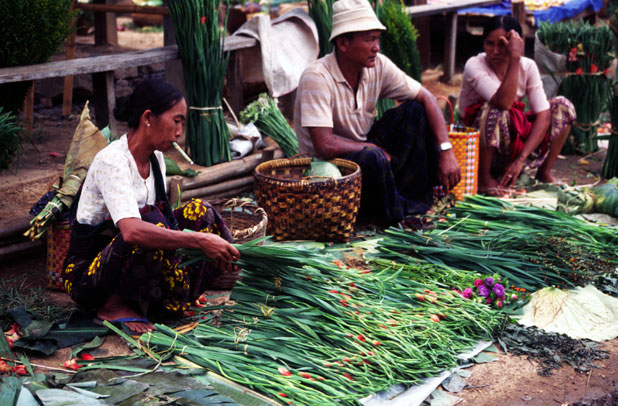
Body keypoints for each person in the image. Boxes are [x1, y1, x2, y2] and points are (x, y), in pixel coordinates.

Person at [62, 79, 240, 333]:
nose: (180, 131)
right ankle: (111, 306)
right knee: (145, 227)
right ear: (148, 118)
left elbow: (162, 218)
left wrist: (203, 238)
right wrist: (199, 242)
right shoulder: (112, 161)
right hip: (90, 277)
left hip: (130, 264)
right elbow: (132, 231)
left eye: (182, 123)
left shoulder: (156, 159)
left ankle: (167, 296)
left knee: (201, 211)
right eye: (176, 121)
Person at [293, 0, 461, 224]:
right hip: (329, 167)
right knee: (373, 157)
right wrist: (371, 147)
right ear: (343, 43)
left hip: (366, 154)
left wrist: (446, 150)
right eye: (369, 39)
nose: (376, 47)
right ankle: (394, 216)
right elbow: (324, 145)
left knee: (415, 112)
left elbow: (427, 98)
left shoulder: (378, 65)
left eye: (377, 39)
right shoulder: (317, 77)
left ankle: (415, 203)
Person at [458, 15, 576, 196]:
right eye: (490, 44)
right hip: (476, 148)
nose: (495, 51)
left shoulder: (528, 66)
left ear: (515, 45)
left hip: (508, 144)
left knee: (563, 106)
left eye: (503, 44)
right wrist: (514, 59)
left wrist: (520, 160)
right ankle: (483, 177)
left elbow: (543, 115)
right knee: (495, 109)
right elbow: (503, 102)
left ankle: (543, 172)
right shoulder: (475, 65)